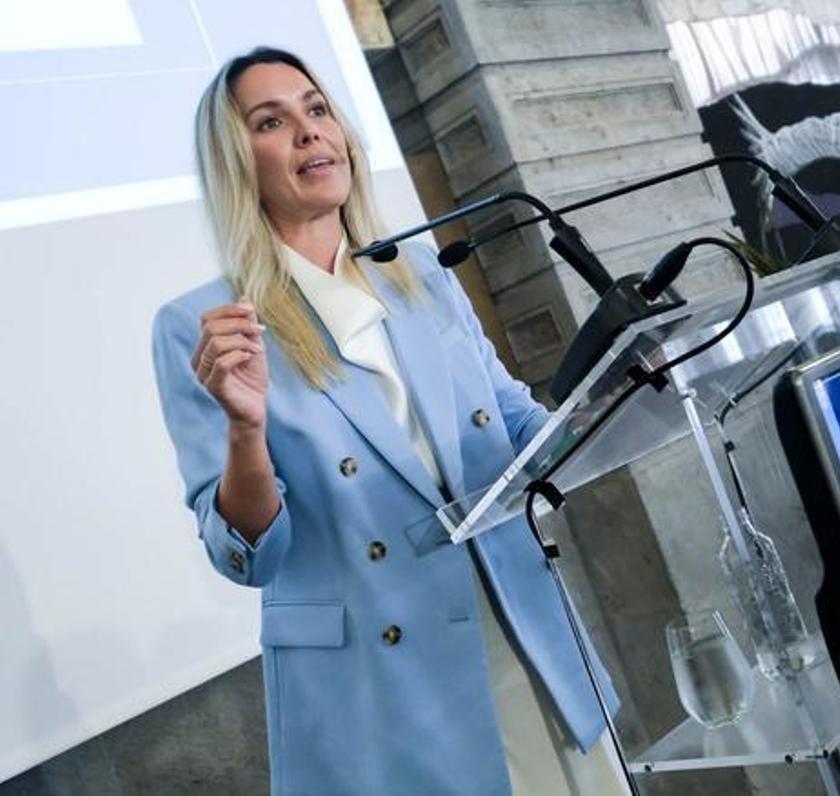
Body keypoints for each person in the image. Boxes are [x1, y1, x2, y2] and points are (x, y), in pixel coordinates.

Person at [151, 47, 626, 796]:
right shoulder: (204, 326)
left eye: (317, 109)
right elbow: (246, 558)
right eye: (272, 122)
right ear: (236, 163)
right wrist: (246, 429)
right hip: (381, 683)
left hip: (518, 623)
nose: (310, 132)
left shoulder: (420, 273)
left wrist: (619, 392)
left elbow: (514, 425)